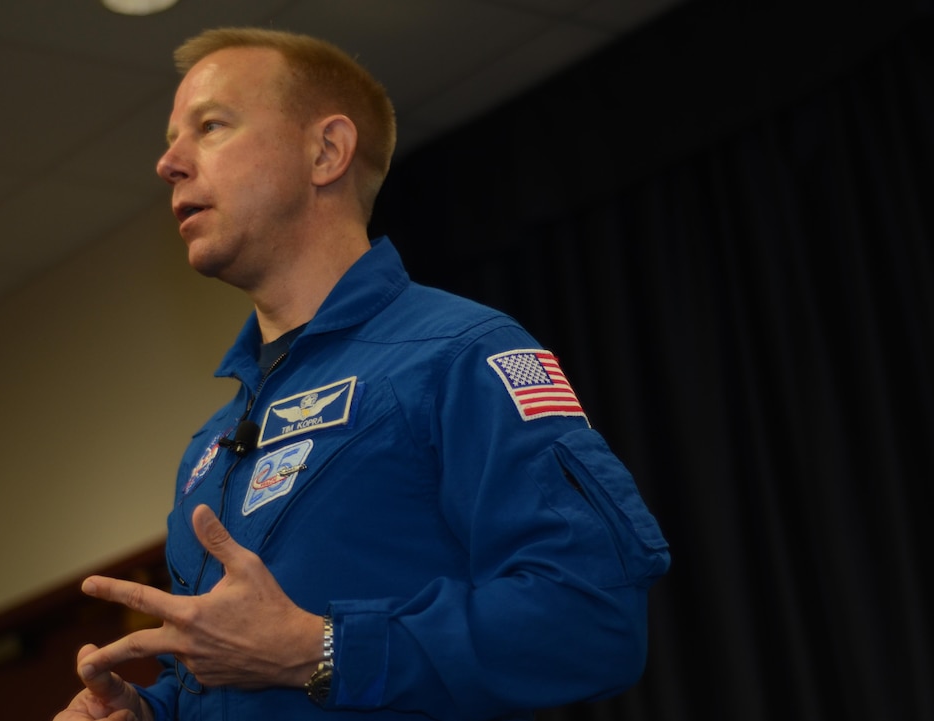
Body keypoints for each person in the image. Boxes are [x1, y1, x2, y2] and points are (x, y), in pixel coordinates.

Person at [54, 26, 669, 721]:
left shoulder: (459, 353)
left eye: (211, 126)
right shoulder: (208, 448)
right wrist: (148, 712)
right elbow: (229, 675)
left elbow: (595, 619)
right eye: (171, 138)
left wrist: (321, 649)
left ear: (326, 152)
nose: (169, 162)